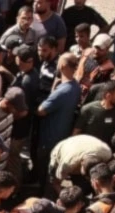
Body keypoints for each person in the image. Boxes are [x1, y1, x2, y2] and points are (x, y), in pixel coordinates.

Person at [35, 53, 81, 190]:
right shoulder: (74, 86)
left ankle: (43, 192)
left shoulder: (62, 91)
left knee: (45, 168)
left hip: (49, 136)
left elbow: (41, 110)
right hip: (62, 133)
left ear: (62, 66)